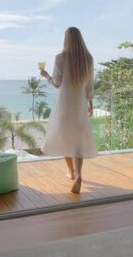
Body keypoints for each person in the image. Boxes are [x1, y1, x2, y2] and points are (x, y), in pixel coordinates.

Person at [40, 27, 97, 193]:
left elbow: (57, 83)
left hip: (65, 105)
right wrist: (90, 103)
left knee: (65, 138)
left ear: (66, 39)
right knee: (78, 141)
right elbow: (89, 84)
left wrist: (46, 76)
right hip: (80, 104)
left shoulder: (60, 57)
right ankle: (79, 174)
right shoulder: (88, 58)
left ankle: (72, 173)